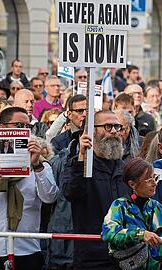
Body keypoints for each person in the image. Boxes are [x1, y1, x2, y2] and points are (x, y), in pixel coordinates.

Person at [0, 107, 58, 270]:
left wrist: (37, 165)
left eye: (28, 127)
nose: (25, 131)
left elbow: (50, 197)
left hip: (26, 248)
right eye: (19, 125)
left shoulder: (39, 162)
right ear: (2, 128)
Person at [63, 110, 131, 270]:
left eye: (117, 127)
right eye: (108, 126)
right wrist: (81, 157)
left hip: (125, 254)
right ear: (91, 131)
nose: (114, 131)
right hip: (92, 256)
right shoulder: (80, 165)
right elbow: (71, 192)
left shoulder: (126, 168)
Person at [102, 158, 162, 270]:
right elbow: (108, 232)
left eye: (155, 178)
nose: (154, 183)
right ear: (132, 184)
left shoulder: (158, 208)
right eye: (148, 180)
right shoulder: (120, 206)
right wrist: (140, 234)